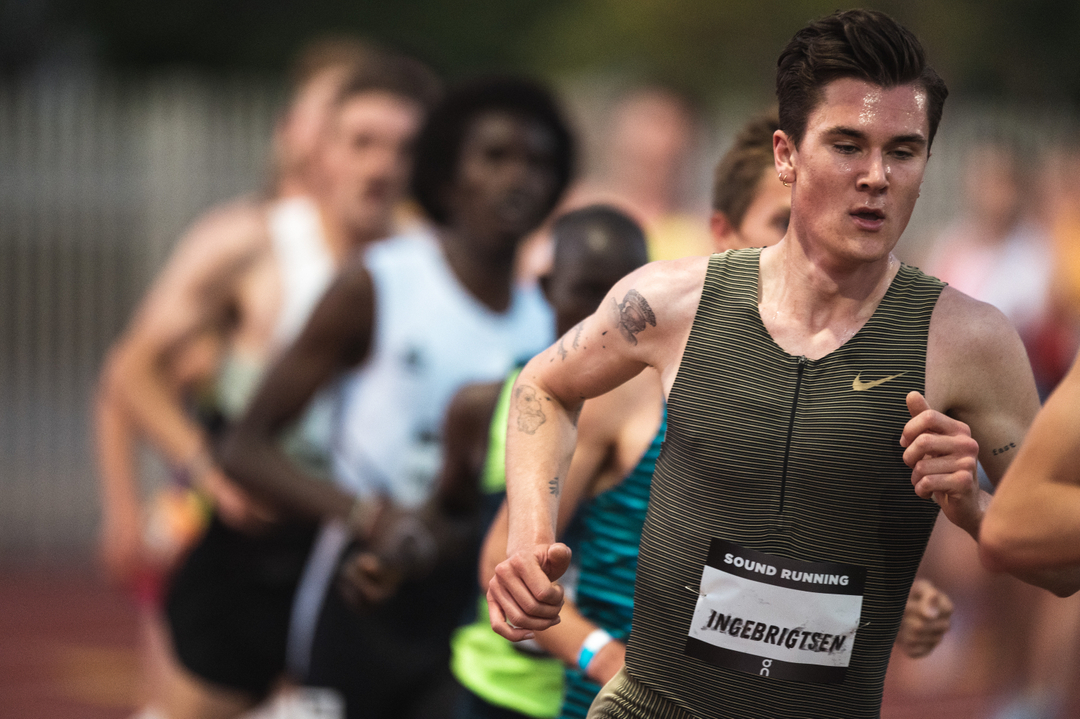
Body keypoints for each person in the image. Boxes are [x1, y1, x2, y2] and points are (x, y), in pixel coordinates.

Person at [487, 10, 1080, 718]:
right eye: (847, 144)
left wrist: (973, 507)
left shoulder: (972, 341)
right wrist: (529, 539)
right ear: (786, 154)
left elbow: (1063, 566)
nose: (875, 177)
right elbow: (543, 386)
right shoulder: (673, 301)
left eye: (903, 151)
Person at [97, 45, 438, 719]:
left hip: (361, 561)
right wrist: (204, 468)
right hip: (251, 554)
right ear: (322, 152)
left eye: (401, 148)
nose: (380, 166)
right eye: (362, 143)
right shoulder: (250, 244)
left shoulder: (430, 265)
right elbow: (130, 368)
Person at [221, 76, 574, 719]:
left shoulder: (545, 325)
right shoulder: (380, 284)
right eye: (496, 158)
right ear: (444, 175)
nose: (520, 178)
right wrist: (366, 518)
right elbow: (245, 448)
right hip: (364, 593)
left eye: (540, 162)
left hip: (470, 606)